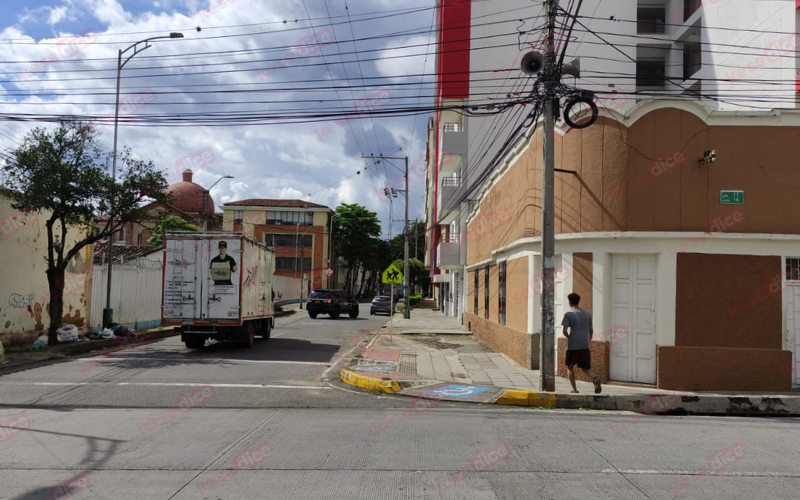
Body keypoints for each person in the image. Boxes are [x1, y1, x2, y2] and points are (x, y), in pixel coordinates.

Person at [561, 292, 601, 394]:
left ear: (569, 302)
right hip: (584, 345)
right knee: (585, 367)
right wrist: (588, 340)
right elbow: (591, 329)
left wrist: (570, 337)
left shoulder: (568, 315)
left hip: (573, 346)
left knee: (570, 367)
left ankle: (575, 390)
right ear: (578, 301)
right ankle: (595, 378)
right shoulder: (587, 313)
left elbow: (564, 331)